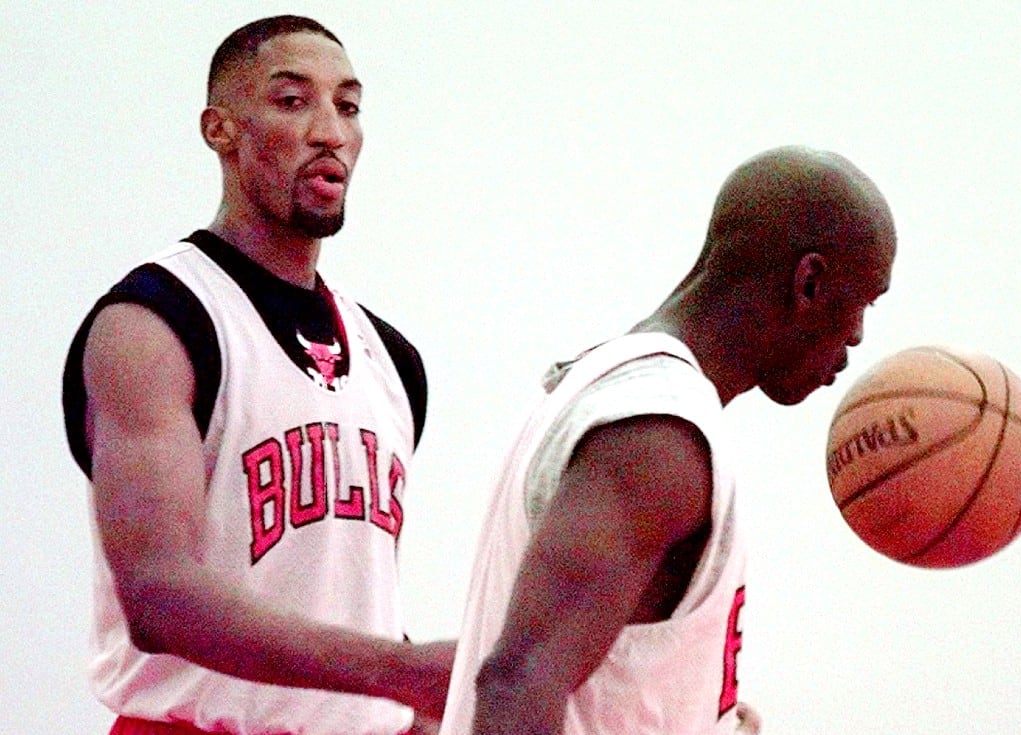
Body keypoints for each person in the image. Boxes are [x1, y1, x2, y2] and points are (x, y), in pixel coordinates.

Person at [61, 15, 453, 735]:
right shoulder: (153, 324)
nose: (331, 130)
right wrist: (405, 670)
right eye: (293, 100)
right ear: (220, 129)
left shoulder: (390, 360)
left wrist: (426, 708)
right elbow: (159, 596)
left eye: (349, 105)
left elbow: (346, 607)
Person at [437, 145, 898, 735]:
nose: (858, 336)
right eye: (864, 301)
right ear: (809, 282)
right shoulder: (657, 436)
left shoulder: (604, 385)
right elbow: (516, 685)